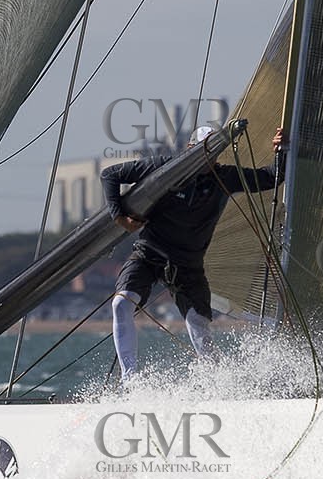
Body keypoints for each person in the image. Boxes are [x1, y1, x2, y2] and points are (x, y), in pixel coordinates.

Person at [101, 124, 286, 378]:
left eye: (213, 153)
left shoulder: (224, 177)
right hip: (149, 253)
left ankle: (220, 384)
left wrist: (281, 150)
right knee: (121, 303)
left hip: (188, 264)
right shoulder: (163, 167)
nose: (207, 159)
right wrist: (119, 217)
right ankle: (129, 380)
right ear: (190, 149)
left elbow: (270, 177)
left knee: (198, 327)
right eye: (201, 151)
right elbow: (109, 174)